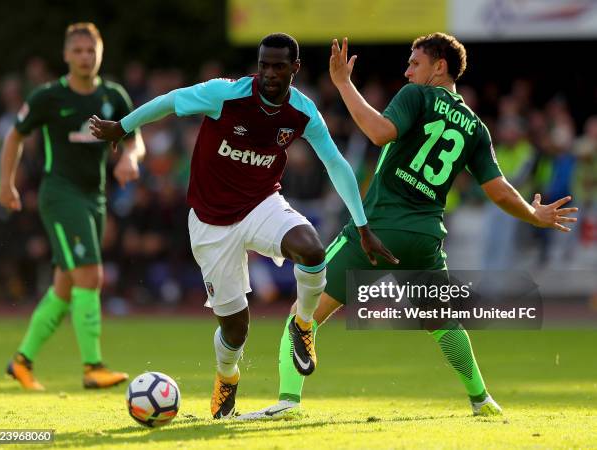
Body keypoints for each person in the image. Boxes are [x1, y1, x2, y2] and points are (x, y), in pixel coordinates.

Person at [241, 32, 578, 419]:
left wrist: (344, 85)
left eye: (414, 63)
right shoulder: (474, 126)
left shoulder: (416, 96)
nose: (406, 71)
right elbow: (499, 191)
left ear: (440, 66)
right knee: (443, 324)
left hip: (377, 230)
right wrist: (536, 215)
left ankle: (288, 401)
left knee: (303, 314)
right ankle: (482, 400)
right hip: (424, 240)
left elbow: (380, 132)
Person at [89, 32, 396, 419]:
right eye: (264, 64)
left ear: (295, 68)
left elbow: (335, 163)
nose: (269, 73)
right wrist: (124, 126)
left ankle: (302, 325)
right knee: (236, 330)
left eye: (278, 66)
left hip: (261, 204)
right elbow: (170, 101)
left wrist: (363, 224)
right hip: (210, 222)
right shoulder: (225, 94)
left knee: (312, 248)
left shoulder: (303, 112)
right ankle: (227, 379)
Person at [0, 22, 145, 390]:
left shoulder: (113, 96)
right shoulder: (49, 97)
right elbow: (15, 134)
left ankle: (21, 361)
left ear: (100, 54)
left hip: (94, 197)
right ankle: (92, 367)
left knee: (66, 287)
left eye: (90, 51)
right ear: (66, 55)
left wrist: (131, 158)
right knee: (91, 276)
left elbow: (135, 139)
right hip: (60, 195)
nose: (84, 57)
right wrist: (6, 183)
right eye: (77, 51)